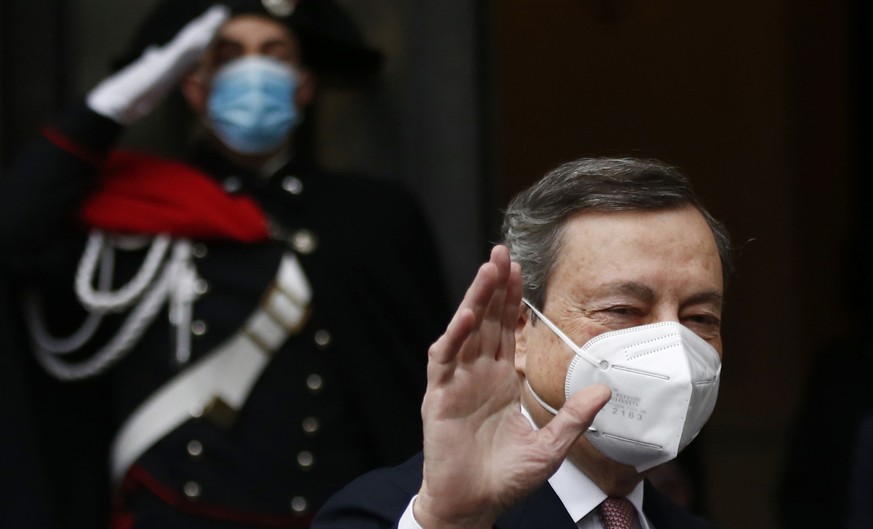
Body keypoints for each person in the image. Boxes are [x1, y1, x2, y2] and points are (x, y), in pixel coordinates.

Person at [0, 1, 447, 528]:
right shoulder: (133, 211)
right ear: (193, 87)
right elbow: (14, 233)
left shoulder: (371, 215)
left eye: (273, 53)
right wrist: (110, 110)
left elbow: (415, 377)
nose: (252, 71)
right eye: (228, 56)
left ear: (303, 86)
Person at [312, 157, 732, 529]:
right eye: (622, 310)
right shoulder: (393, 513)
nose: (671, 343)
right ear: (519, 330)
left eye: (699, 318)